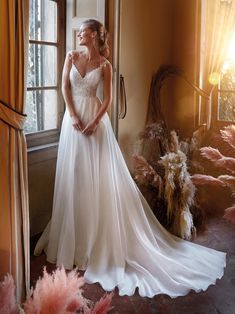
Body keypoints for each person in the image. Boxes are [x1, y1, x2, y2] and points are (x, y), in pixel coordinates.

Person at [35, 19, 226, 298]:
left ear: (95, 35)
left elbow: (109, 99)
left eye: (83, 31)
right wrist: (74, 115)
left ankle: (92, 240)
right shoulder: (71, 57)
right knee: (72, 177)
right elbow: (64, 87)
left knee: (95, 181)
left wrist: (94, 122)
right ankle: (72, 239)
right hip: (72, 123)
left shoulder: (105, 65)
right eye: (78, 32)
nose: (78, 34)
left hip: (95, 125)